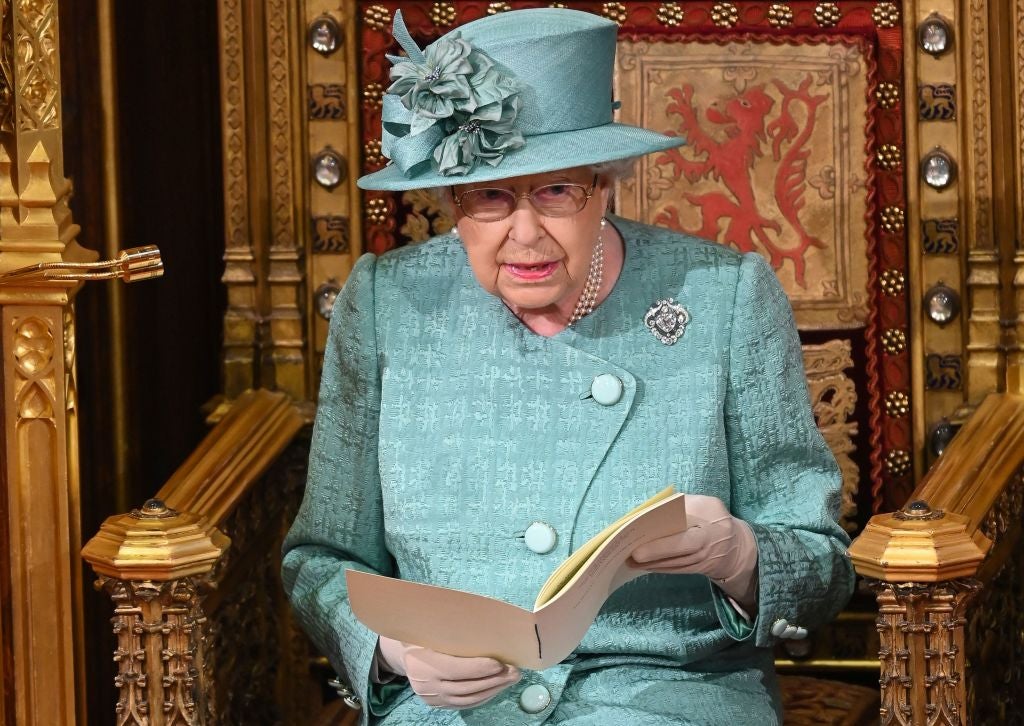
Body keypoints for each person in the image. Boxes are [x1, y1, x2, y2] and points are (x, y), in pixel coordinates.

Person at [283, 8, 854, 725]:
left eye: (557, 191)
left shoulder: (724, 295)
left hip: (663, 700)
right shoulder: (386, 303)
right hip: (451, 710)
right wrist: (395, 650)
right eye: (490, 197)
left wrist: (735, 553)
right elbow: (322, 557)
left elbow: (822, 566)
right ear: (449, 201)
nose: (525, 235)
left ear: (605, 185)